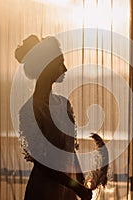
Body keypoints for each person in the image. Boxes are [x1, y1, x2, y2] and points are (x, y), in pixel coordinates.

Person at [14, 35, 92, 200]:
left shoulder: (64, 104)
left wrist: (81, 180)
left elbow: (71, 150)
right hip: (45, 190)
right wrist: (75, 186)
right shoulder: (30, 110)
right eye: (60, 62)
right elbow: (42, 163)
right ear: (47, 66)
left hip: (69, 189)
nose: (65, 69)